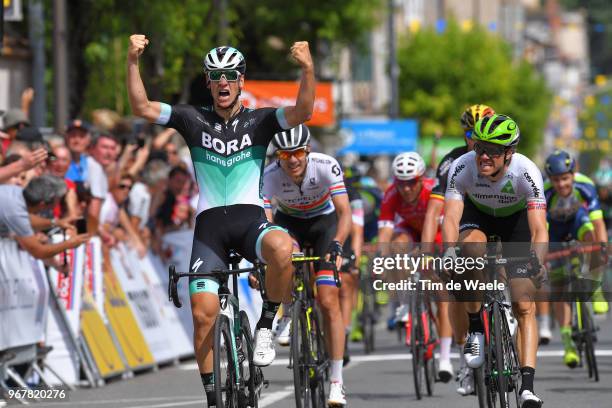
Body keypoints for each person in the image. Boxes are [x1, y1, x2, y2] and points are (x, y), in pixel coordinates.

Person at [126, 33, 315, 407]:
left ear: (242, 80)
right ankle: (213, 396)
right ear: (208, 82)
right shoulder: (191, 118)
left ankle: (266, 323)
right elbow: (142, 107)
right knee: (203, 316)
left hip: (249, 224)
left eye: (230, 75)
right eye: (216, 75)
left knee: (282, 248)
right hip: (209, 230)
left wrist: (308, 68)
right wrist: (132, 61)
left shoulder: (261, 122)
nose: (223, 82)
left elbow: (303, 112)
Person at [442, 114, 548, 408]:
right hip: (477, 218)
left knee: (524, 303)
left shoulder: (526, 172)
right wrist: (449, 250)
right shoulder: (462, 167)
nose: (484, 156)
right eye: (479, 148)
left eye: (493, 150)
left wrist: (537, 261)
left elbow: (539, 227)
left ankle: (527, 386)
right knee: (471, 251)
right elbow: (450, 216)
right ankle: (476, 326)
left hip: (515, 223)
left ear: (509, 153)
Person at [261, 124, 351, 406]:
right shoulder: (270, 175)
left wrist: (337, 243)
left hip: (325, 225)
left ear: (308, 150)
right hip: (290, 225)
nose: (293, 160)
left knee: (327, 299)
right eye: (286, 155)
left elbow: (344, 211)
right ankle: (288, 311)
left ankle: (337, 381)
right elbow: (265, 220)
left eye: (298, 152)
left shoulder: (326, 165)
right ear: (278, 157)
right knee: (285, 256)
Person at [422, 103, 495, 394]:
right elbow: (434, 211)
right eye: (469, 132)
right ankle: (467, 353)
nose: (474, 139)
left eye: (479, 132)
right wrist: (429, 254)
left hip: (501, 219)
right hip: (466, 223)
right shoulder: (452, 162)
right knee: (456, 287)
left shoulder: (506, 156)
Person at [376, 151, 454, 382]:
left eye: (411, 183)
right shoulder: (391, 194)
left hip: (436, 236)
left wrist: (427, 253)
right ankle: (404, 304)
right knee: (396, 247)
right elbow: (385, 231)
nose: (406, 189)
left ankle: (446, 359)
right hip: (410, 232)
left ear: (421, 179)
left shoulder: (433, 191)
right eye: (401, 183)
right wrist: (381, 258)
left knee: (442, 294)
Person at [543, 150, 608, 367]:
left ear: (573, 174)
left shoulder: (585, 185)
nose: (561, 184)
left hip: (578, 223)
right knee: (559, 286)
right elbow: (539, 228)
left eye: (565, 178)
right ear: (550, 179)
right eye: (556, 180)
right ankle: (568, 342)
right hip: (555, 231)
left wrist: (601, 250)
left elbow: (598, 223)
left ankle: (595, 289)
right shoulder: (544, 192)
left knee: (592, 238)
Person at [0, 175, 89, 260]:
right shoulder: (15, 213)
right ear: (42, 204)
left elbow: (26, 218)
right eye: (58, 200)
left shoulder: (16, 192)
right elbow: (38, 252)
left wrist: (56, 223)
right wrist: (69, 244)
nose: (58, 203)